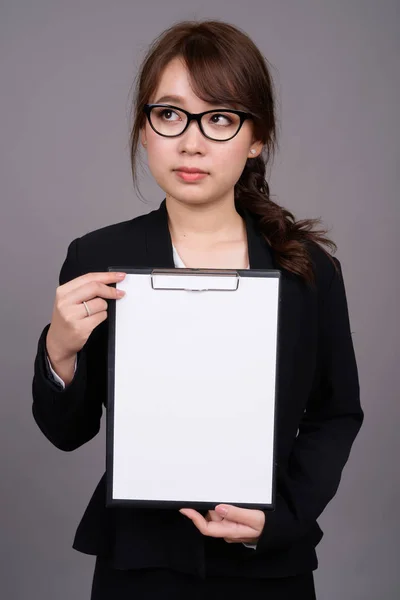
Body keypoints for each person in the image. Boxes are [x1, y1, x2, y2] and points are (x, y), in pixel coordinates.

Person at [31, 19, 364, 600]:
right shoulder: (98, 256)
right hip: (138, 563)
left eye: (220, 118)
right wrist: (59, 350)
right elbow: (67, 433)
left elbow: (336, 414)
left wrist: (279, 518)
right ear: (143, 127)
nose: (191, 142)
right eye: (170, 114)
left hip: (267, 563)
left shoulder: (307, 269)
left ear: (256, 136)